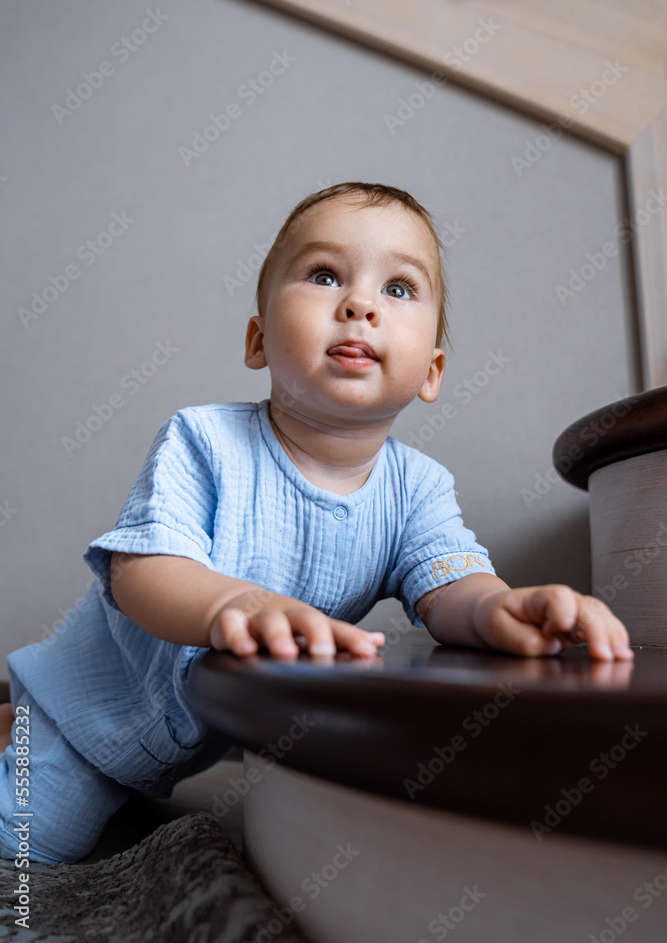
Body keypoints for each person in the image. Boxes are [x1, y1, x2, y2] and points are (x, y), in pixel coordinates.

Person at [0, 181, 633, 865]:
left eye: (397, 288)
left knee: (134, 817)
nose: (358, 304)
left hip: (172, 753)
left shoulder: (416, 489)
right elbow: (140, 574)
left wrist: (502, 608)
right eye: (324, 275)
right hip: (74, 721)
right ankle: (19, 727)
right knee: (30, 844)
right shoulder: (203, 441)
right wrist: (236, 604)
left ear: (432, 370)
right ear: (258, 339)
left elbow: (452, 586)